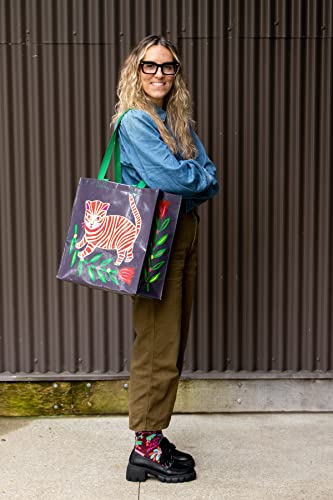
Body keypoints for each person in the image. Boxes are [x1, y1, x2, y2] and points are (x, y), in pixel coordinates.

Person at [112, 34, 219, 483]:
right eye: (150, 66)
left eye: (168, 67)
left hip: (183, 231)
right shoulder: (136, 122)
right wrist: (195, 177)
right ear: (135, 72)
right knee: (157, 343)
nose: (159, 74)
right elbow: (180, 180)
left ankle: (153, 434)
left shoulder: (173, 118)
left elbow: (209, 177)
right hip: (155, 238)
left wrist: (195, 178)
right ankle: (145, 450)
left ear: (177, 74)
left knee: (171, 340)